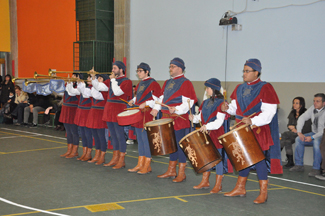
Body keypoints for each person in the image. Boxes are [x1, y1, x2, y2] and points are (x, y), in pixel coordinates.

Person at [222, 58, 282, 204]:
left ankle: (263, 193)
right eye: (243, 71)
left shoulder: (265, 87)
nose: (244, 74)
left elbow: (269, 112)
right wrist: (227, 108)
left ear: (257, 73)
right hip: (241, 128)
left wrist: (253, 121)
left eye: (247, 71)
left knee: (258, 160)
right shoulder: (239, 88)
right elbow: (235, 108)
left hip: (258, 128)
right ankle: (240, 188)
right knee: (244, 159)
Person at [151, 57, 197, 183]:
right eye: (170, 66)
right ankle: (171, 170)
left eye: (172, 66)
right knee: (170, 145)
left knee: (179, 145)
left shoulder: (186, 83)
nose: (170, 69)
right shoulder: (167, 82)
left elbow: (190, 101)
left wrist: (176, 109)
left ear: (180, 68)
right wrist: (156, 108)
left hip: (178, 119)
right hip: (166, 118)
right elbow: (161, 97)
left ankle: (181, 173)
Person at [91, 61, 133, 169]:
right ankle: (115, 158)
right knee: (113, 135)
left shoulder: (126, 81)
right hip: (109, 109)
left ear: (121, 69)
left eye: (115, 68)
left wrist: (113, 80)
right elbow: (100, 87)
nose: (113, 70)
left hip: (118, 109)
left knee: (119, 135)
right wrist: (93, 78)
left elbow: (118, 92)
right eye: (113, 68)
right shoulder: (111, 81)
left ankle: (121, 159)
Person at [189, 78, 226, 193]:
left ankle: (218, 185)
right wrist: (194, 118)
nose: (206, 90)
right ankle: (205, 181)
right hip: (206, 133)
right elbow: (200, 117)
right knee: (207, 158)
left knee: (217, 159)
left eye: (208, 88)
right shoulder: (205, 102)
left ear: (214, 89)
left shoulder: (222, 103)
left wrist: (207, 126)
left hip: (216, 133)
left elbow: (219, 122)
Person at [127, 62, 161, 174]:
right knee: (140, 140)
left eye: (140, 71)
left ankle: (147, 165)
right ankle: (140, 163)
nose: (138, 73)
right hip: (139, 114)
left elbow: (157, 100)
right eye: (137, 71)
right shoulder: (140, 83)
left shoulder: (153, 83)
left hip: (147, 115)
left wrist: (146, 103)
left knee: (146, 140)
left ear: (147, 72)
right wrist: (133, 100)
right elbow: (138, 96)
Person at [289, 93, 325, 177]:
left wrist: (312, 137)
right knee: (298, 139)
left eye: (317, 101)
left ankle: (316, 168)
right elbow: (302, 117)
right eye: (314, 101)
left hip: (323, 135)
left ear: (324, 103)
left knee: (316, 142)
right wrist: (299, 132)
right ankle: (299, 165)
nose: (315, 103)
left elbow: (323, 130)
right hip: (314, 132)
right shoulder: (313, 108)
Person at [281, 97, 311, 168]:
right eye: (294, 103)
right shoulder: (292, 113)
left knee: (284, 134)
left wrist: (296, 129)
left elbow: (307, 128)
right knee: (287, 141)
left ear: (301, 105)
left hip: (303, 134)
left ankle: (274, 157)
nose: (294, 105)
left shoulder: (306, 113)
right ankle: (290, 161)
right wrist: (291, 128)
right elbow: (289, 124)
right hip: (293, 133)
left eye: (297, 103)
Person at [59, 73, 81, 158]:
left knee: (74, 131)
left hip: (73, 110)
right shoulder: (67, 84)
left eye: (75, 76)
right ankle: (69, 150)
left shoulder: (79, 87)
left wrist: (69, 83)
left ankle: (74, 151)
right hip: (66, 108)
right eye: (72, 75)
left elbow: (71, 92)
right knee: (68, 132)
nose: (72, 77)